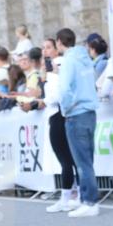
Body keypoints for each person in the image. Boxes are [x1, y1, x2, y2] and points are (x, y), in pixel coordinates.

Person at [55, 27, 101, 218]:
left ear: (59, 42)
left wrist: (65, 109)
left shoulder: (68, 61)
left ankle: (90, 202)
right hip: (89, 112)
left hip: (76, 112)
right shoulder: (86, 59)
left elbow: (65, 89)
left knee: (82, 161)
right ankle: (85, 198)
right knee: (87, 159)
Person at [43, 47, 78, 212]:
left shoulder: (57, 81)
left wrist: (46, 98)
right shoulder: (55, 81)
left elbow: (54, 98)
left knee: (68, 160)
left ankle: (70, 198)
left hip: (60, 118)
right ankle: (71, 197)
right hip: (59, 118)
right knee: (69, 160)